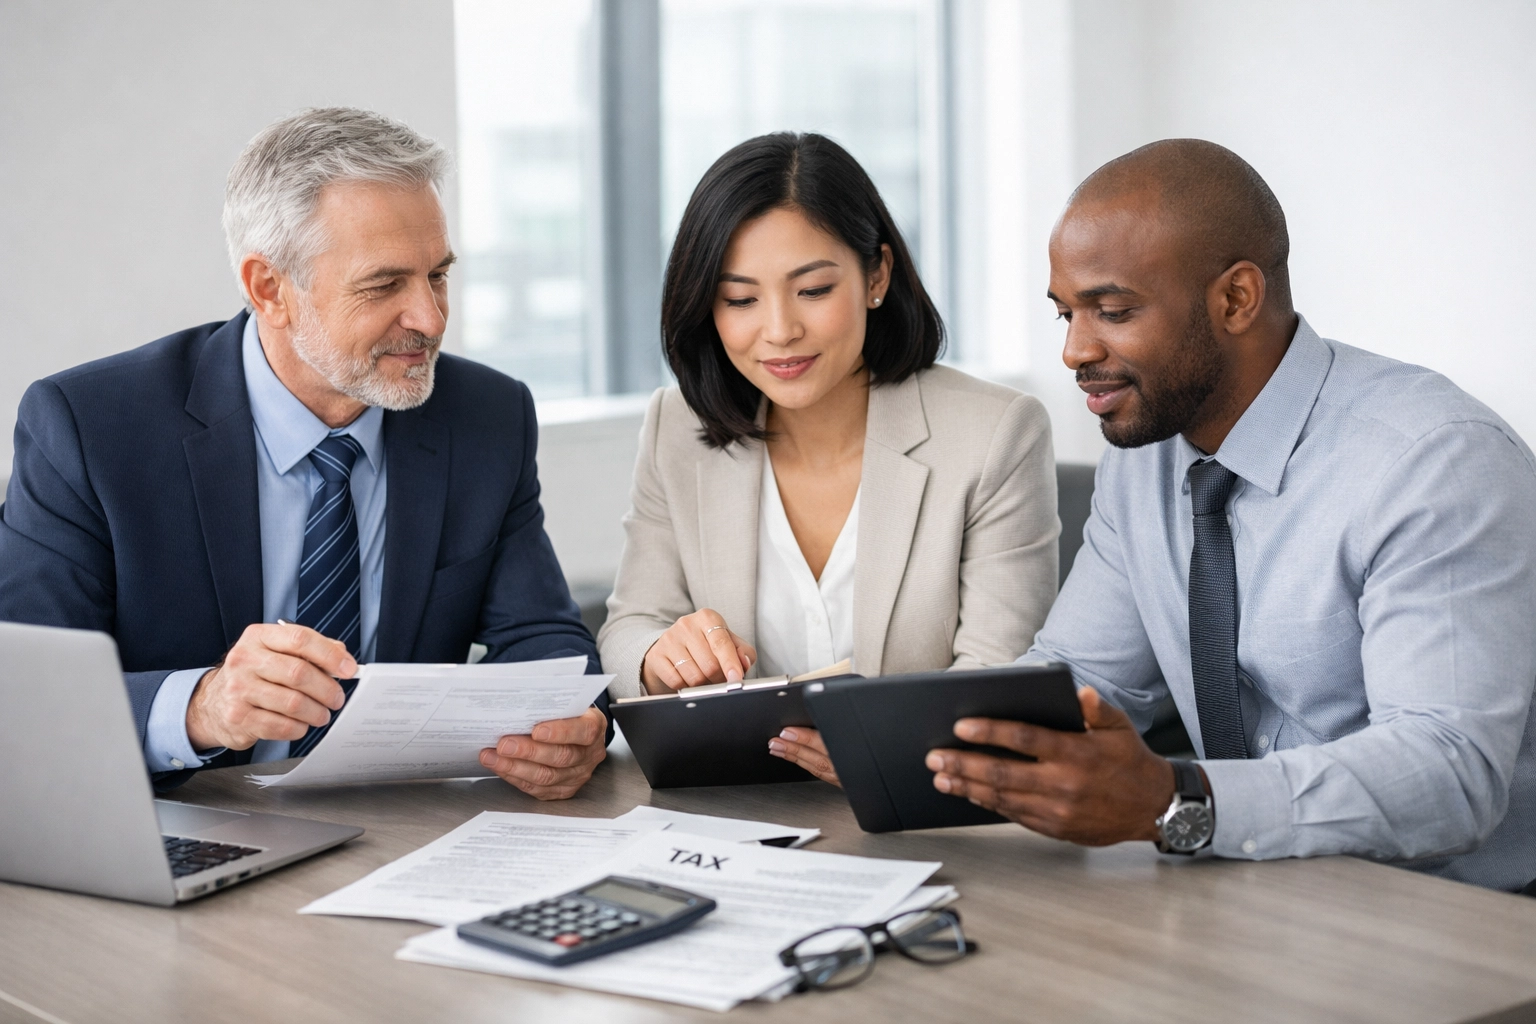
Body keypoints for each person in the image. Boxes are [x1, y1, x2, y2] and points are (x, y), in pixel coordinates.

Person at [924, 138, 1536, 892]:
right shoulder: (1146, 455)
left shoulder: (1434, 462)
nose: (1075, 350)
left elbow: (1449, 773)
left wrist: (1179, 801)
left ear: (1236, 299)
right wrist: (902, 739)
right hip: (1246, 887)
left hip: (1458, 917)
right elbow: (1084, 680)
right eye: (1066, 315)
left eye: (1112, 311)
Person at [0, 108, 609, 800]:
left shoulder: (486, 417)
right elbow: (22, 701)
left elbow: (545, 641)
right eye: (385, 286)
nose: (433, 319)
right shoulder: (92, 429)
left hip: (400, 829)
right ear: (270, 289)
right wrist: (201, 707)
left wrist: (572, 726)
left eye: (438, 275)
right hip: (177, 826)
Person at [598, 132, 1059, 784]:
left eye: (812, 290)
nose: (780, 329)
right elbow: (629, 626)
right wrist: (657, 657)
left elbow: (996, 678)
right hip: (733, 814)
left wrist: (879, 753)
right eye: (740, 299)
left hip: (926, 820)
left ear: (876, 276)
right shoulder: (677, 426)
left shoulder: (995, 433)